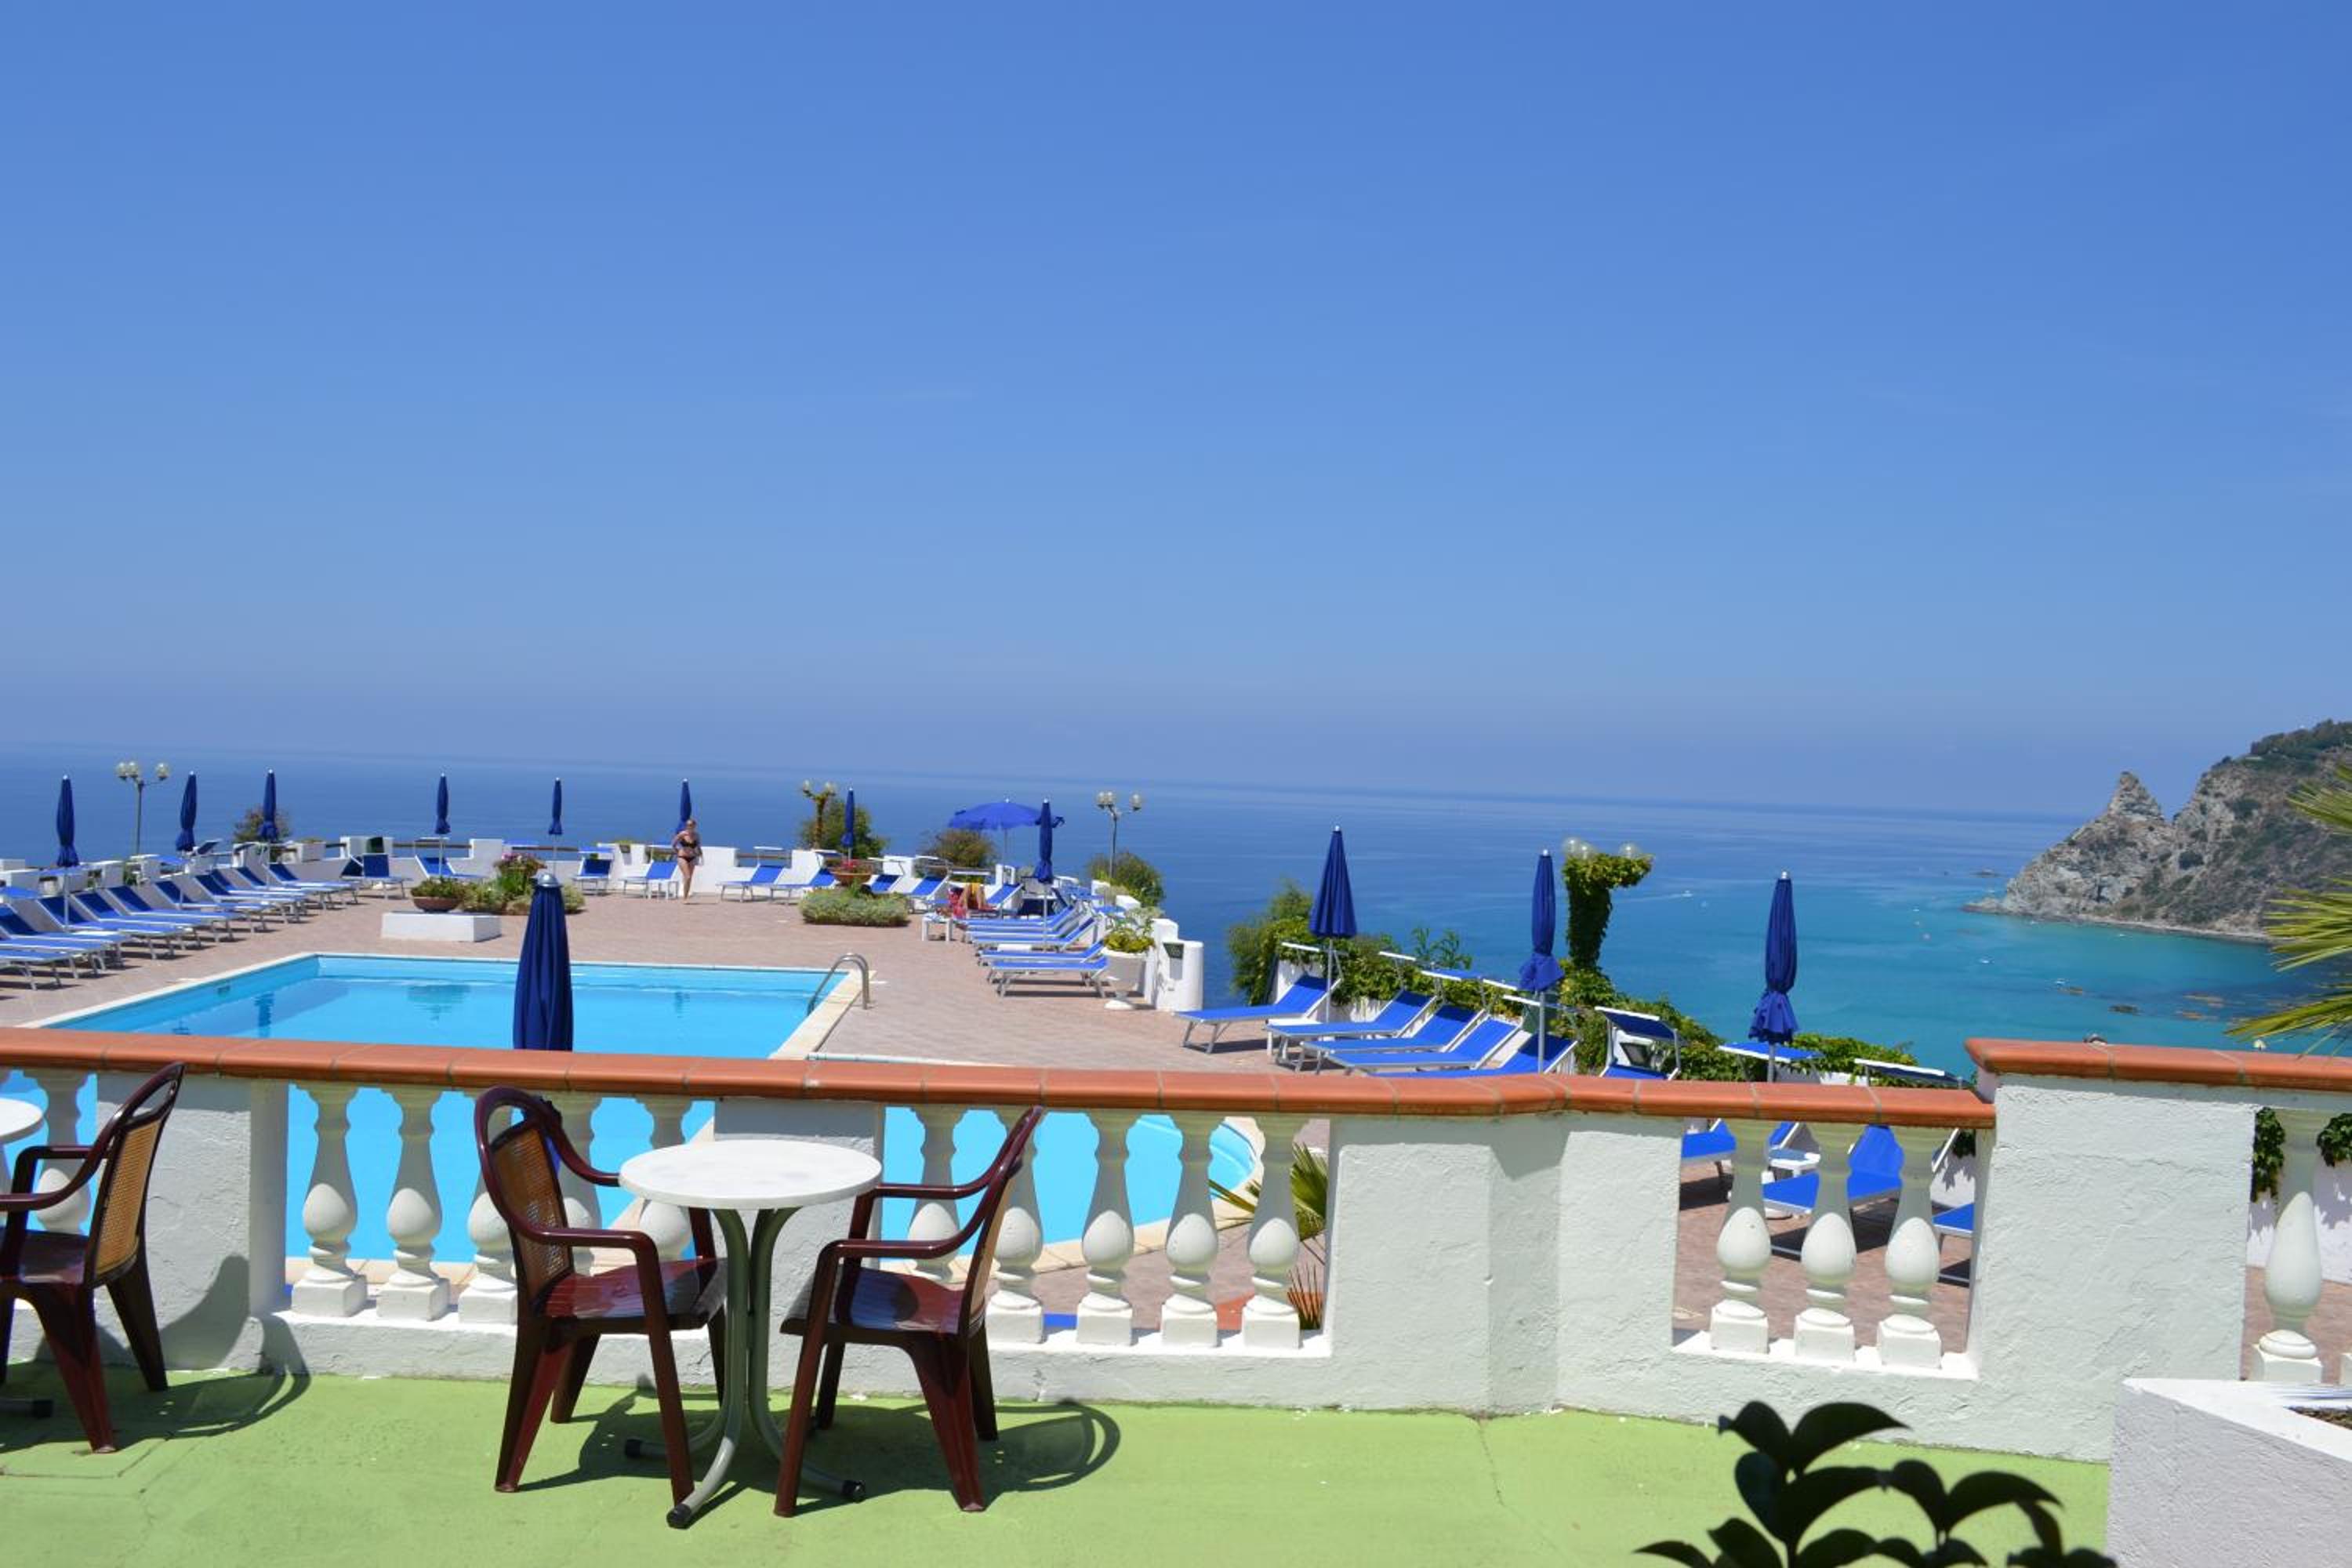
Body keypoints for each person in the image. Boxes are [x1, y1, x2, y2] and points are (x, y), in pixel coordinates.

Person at [671, 818, 702, 899]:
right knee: (687, 876)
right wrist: (677, 851)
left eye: (691, 825)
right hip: (682, 857)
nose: (689, 826)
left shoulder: (697, 836)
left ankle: (685, 896)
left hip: (692, 857)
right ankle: (685, 897)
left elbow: (698, 847)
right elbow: (673, 844)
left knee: (689, 878)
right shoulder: (682, 834)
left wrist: (700, 855)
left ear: (694, 826)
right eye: (688, 825)